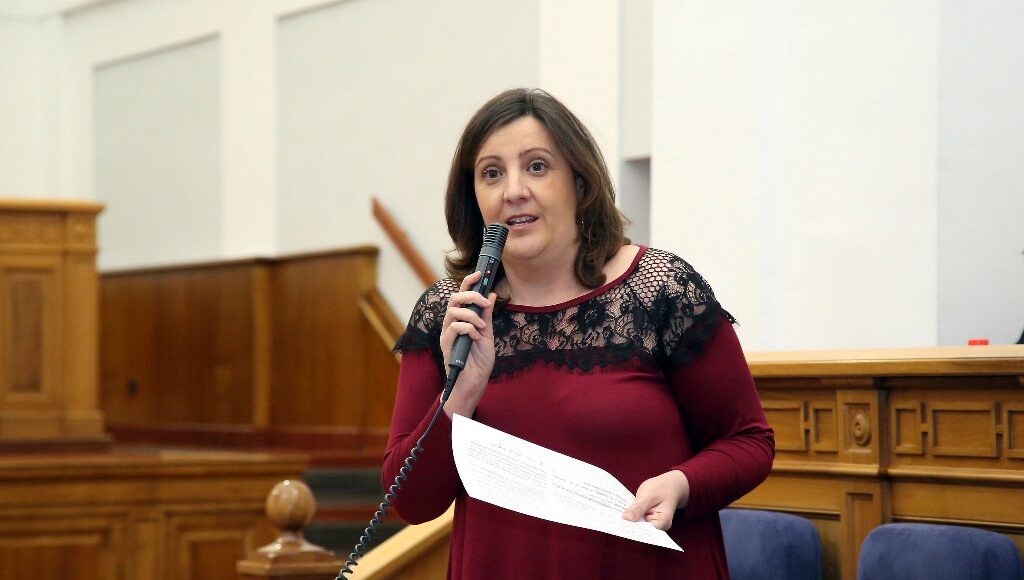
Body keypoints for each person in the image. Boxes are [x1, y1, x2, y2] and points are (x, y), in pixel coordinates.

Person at [383, 88, 775, 579]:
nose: (513, 190)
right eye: (491, 173)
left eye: (537, 167)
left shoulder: (660, 290)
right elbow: (411, 501)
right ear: (473, 197)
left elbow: (748, 440)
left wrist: (683, 484)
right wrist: (460, 395)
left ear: (579, 183)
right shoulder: (450, 315)